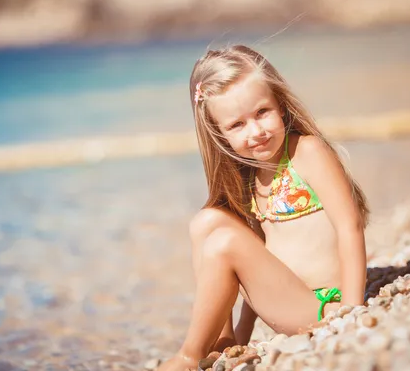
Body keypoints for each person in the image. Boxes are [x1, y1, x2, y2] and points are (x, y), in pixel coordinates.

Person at [158, 45, 369, 370]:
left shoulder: (307, 152)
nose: (256, 132)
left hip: (322, 306)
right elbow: (269, 260)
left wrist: (353, 310)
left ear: (281, 106)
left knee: (224, 243)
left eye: (262, 113)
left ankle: (189, 355)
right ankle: (224, 339)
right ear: (220, 134)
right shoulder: (253, 175)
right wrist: (243, 331)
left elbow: (349, 226)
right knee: (206, 221)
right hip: (285, 303)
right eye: (237, 125)